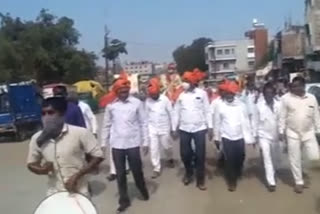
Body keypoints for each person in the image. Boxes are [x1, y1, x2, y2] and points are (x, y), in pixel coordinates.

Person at [26, 97, 104, 197]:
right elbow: (31, 163)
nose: (46, 117)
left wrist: (77, 176)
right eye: (43, 114)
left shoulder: (80, 133)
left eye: (51, 113)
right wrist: (41, 170)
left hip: (79, 191)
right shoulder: (37, 138)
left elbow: (98, 156)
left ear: (62, 114)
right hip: (54, 192)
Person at [101, 75, 149, 213]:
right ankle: (124, 200)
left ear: (128, 90)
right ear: (116, 91)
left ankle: (143, 190)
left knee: (137, 171)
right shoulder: (111, 105)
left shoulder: (136, 103)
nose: (123, 92)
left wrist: (145, 142)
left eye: (125, 90)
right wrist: (103, 143)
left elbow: (143, 123)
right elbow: (106, 125)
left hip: (133, 143)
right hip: (117, 145)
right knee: (120, 175)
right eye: (121, 90)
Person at [173, 69, 213, 191]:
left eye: (186, 81)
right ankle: (189, 172)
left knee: (200, 155)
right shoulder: (180, 95)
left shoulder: (202, 93)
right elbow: (176, 112)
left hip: (199, 128)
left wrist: (210, 127)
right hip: (184, 128)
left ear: (192, 82)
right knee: (185, 154)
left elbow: (207, 110)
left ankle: (200, 180)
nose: (183, 83)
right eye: (183, 80)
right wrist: (174, 128)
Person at [279, 76, 320, 194]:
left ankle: (303, 171)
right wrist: (281, 131)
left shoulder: (311, 98)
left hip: (308, 132)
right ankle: (299, 182)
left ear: (303, 86)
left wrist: (318, 131)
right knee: (294, 158)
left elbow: (316, 116)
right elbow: (282, 116)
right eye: (293, 86)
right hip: (292, 132)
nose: (294, 88)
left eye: (297, 86)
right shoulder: (285, 99)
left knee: (314, 156)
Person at [214, 81, 253, 192]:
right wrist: (216, 137)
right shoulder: (220, 106)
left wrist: (249, 137)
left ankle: (238, 170)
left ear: (234, 94)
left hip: (239, 136)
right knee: (229, 159)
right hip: (227, 137)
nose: (229, 95)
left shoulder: (241, 105)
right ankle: (232, 181)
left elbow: (246, 121)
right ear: (225, 94)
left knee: (240, 157)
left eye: (231, 93)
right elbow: (217, 122)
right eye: (227, 93)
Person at [252, 82, 281, 192]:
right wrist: (254, 136)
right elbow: (254, 122)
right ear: (263, 94)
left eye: (270, 93)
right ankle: (271, 182)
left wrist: (282, 132)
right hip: (263, 136)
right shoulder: (258, 106)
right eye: (266, 93)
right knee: (267, 157)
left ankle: (273, 172)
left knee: (274, 158)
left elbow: (282, 120)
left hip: (276, 135)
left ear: (274, 94)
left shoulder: (279, 105)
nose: (268, 95)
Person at [146, 77, 175, 179]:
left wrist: (173, 128)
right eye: (151, 95)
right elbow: (146, 116)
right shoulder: (148, 101)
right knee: (154, 149)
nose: (153, 96)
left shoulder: (165, 99)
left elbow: (171, 113)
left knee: (166, 146)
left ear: (158, 91)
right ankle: (156, 168)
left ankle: (170, 157)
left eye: (155, 94)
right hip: (152, 128)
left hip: (164, 127)